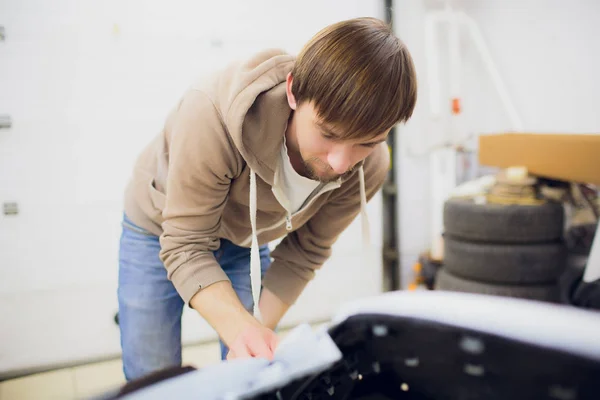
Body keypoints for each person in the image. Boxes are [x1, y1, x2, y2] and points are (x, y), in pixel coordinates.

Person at [117, 16, 417, 381]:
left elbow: (305, 251)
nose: (341, 162)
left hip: (244, 237)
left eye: (365, 143)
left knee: (248, 364)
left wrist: (253, 332)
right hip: (159, 226)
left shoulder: (369, 167)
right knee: (152, 371)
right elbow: (186, 244)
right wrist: (239, 327)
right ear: (293, 91)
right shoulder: (212, 113)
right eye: (328, 133)